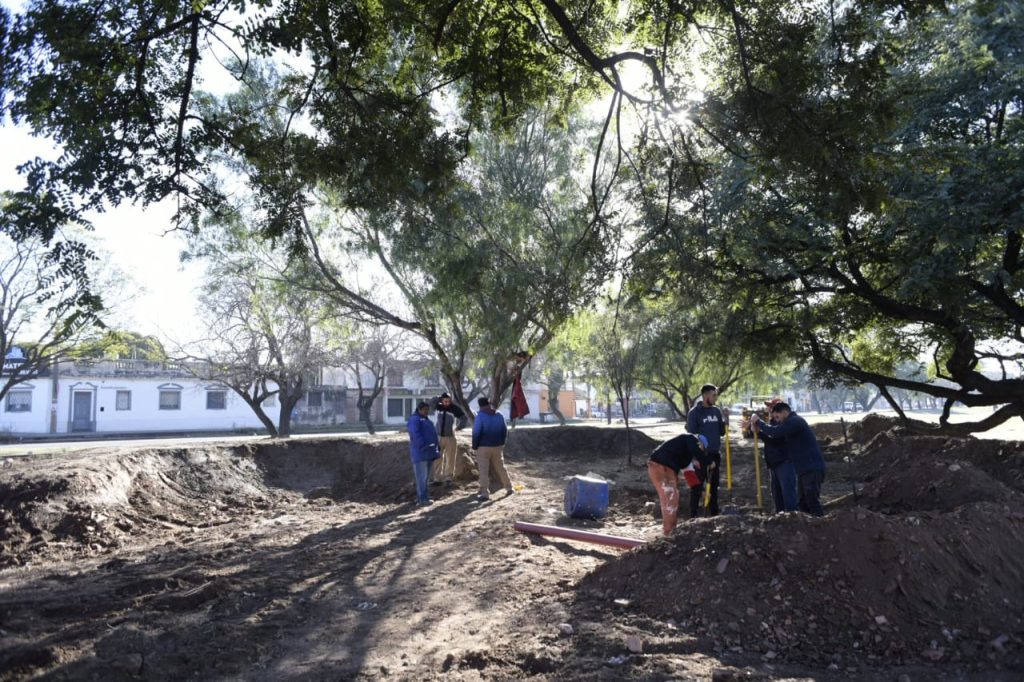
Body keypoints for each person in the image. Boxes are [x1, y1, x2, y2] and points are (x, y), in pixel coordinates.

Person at [750, 402, 826, 515]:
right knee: (803, 504)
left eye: (777, 416)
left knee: (812, 502)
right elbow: (775, 440)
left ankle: (821, 527)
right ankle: (809, 529)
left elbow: (775, 432)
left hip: (812, 468)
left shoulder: (795, 421)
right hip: (803, 470)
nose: (777, 420)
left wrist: (758, 421)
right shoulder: (789, 425)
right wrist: (759, 433)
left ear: (784, 412)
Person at [647, 433, 708, 535]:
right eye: (701, 449)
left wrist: (701, 491)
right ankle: (668, 533)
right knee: (670, 498)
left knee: (673, 498)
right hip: (661, 467)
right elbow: (695, 449)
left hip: (665, 469)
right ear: (699, 443)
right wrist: (707, 462)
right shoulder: (690, 438)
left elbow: (691, 477)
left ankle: (670, 531)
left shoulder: (685, 457)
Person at [686, 384, 726, 517]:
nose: (715, 398)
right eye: (713, 395)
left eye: (716, 395)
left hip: (715, 455)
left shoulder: (716, 411)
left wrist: (725, 420)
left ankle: (713, 515)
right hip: (700, 456)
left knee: (714, 486)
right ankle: (693, 516)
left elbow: (722, 432)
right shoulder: (694, 413)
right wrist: (694, 457)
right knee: (697, 487)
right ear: (705, 395)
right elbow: (691, 437)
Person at [758, 398, 797, 513]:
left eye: (771, 407)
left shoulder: (784, 423)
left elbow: (775, 440)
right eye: (769, 407)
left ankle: (793, 519)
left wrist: (760, 429)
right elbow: (770, 438)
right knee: (777, 495)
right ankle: (780, 520)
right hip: (774, 464)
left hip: (784, 462)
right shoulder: (773, 421)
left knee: (788, 495)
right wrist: (757, 432)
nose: (769, 409)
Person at [471, 397, 513, 501]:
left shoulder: (480, 416)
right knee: (501, 467)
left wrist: (475, 446)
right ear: (489, 403)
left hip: (483, 447)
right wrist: (502, 443)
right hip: (497, 446)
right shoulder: (499, 415)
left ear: (480, 405)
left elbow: (476, 432)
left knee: (483, 470)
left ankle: (485, 493)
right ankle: (509, 488)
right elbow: (504, 431)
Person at [407, 401, 441, 506]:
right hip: (421, 453)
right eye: (425, 410)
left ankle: (424, 497)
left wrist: (436, 445)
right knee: (422, 477)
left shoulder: (425, 419)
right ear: (419, 409)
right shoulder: (415, 420)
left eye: (427, 410)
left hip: (429, 453)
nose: (427, 412)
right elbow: (415, 435)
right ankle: (423, 499)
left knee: (425, 478)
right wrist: (425, 446)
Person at [432, 393, 465, 486]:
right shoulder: (437, 407)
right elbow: (432, 401)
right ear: (442, 400)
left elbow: (464, 418)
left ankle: (448, 478)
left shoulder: (454, 409)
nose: (447, 403)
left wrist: (458, 427)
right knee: (437, 458)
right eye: (445, 401)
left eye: (449, 401)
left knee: (450, 458)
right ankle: (437, 478)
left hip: (450, 437)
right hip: (438, 437)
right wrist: (439, 398)